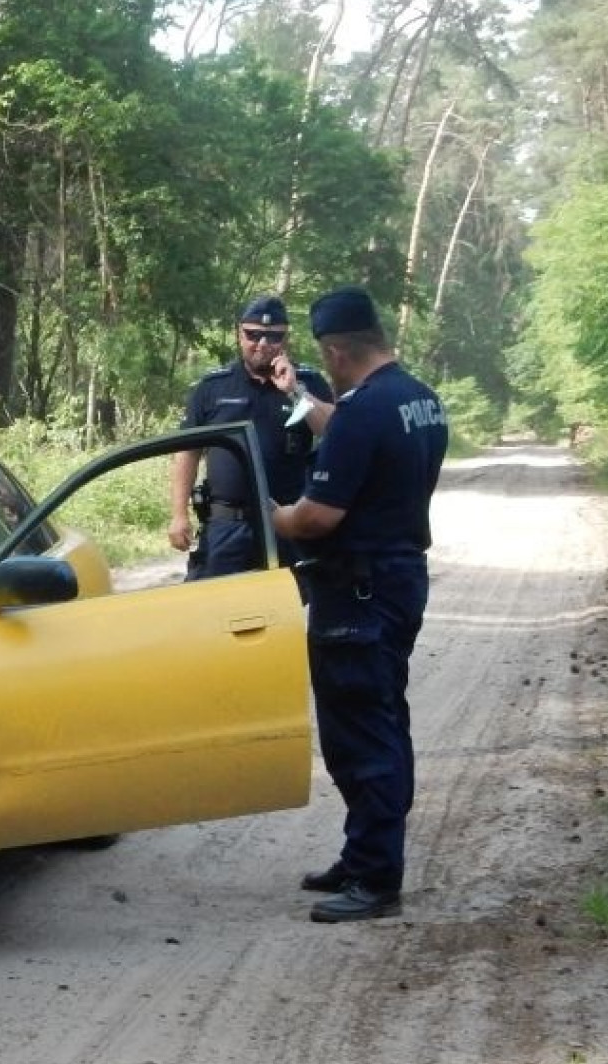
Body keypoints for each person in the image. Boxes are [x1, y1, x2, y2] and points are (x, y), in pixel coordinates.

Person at [270, 286, 448, 923]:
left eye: (327, 359)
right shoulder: (418, 399)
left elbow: (317, 518)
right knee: (384, 717)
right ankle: (363, 853)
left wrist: (275, 516)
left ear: (337, 351)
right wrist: (301, 398)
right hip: (399, 579)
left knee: (360, 735)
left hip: (357, 592)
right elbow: (348, 431)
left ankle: (376, 879)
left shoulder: (365, 411)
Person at [169, 295, 335, 579]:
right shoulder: (213, 387)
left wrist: (295, 391)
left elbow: (334, 432)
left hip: (288, 523)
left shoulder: (308, 382)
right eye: (253, 334)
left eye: (273, 336)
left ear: (286, 339)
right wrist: (179, 514)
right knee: (214, 611)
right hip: (226, 526)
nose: (262, 343)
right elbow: (188, 452)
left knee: (287, 613)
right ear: (239, 334)